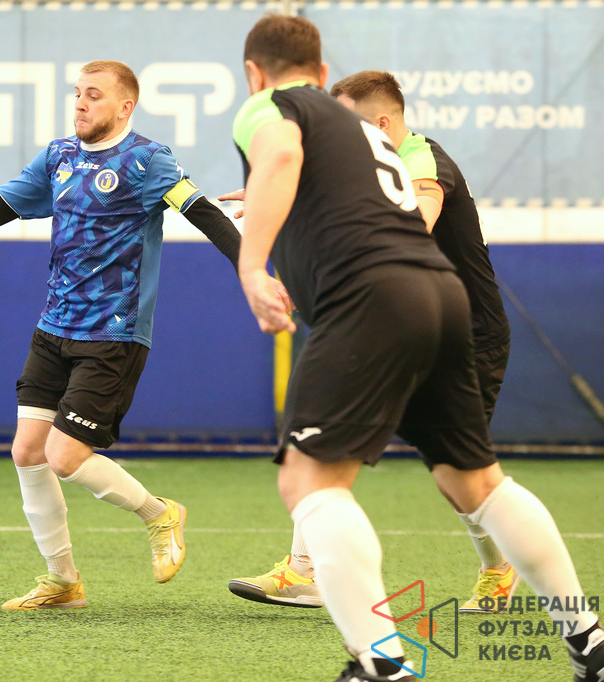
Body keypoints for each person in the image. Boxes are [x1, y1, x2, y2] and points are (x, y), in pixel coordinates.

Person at [232, 15, 601, 682]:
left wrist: (253, 266)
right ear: (323, 72)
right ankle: (588, 639)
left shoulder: (273, 105)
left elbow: (281, 156)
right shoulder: (364, 134)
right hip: (440, 295)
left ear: (256, 73)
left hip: (370, 300)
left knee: (308, 480)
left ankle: (382, 664)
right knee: (474, 481)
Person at [0, 60, 245, 609]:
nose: (81, 104)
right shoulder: (59, 156)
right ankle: (63, 581)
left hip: (113, 333)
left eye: (94, 95)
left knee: (65, 456)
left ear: (126, 106)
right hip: (53, 328)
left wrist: (252, 270)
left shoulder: (149, 160)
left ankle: (160, 513)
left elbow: (204, 213)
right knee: (27, 452)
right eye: (77, 94)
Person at [227, 70, 516, 615]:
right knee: (319, 447)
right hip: (390, 323)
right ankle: (304, 571)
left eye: (348, 122)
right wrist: (282, 191)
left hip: (462, 334)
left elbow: (417, 221)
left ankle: (501, 569)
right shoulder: (367, 167)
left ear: (381, 123)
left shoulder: (423, 160)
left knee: (460, 477)